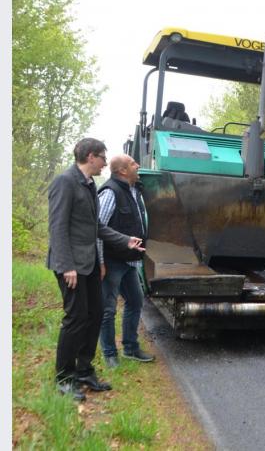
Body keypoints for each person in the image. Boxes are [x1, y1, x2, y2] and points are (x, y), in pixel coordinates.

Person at [47, 138, 145, 401]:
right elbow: (57, 227)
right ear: (91, 157)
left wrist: (126, 240)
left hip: (89, 264)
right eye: (103, 157)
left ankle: (84, 371)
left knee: (95, 314)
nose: (105, 162)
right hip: (71, 265)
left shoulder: (90, 185)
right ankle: (64, 378)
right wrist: (66, 265)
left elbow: (97, 228)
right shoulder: (65, 181)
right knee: (76, 319)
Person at [98, 155, 155, 368]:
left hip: (130, 262)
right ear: (122, 171)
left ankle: (130, 348)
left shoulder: (134, 190)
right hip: (112, 262)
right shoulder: (110, 193)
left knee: (135, 301)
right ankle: (110, 354)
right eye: (133, 164)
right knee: (108, 309)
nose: (138, 165)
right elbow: (97, 229)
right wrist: (101, 262)